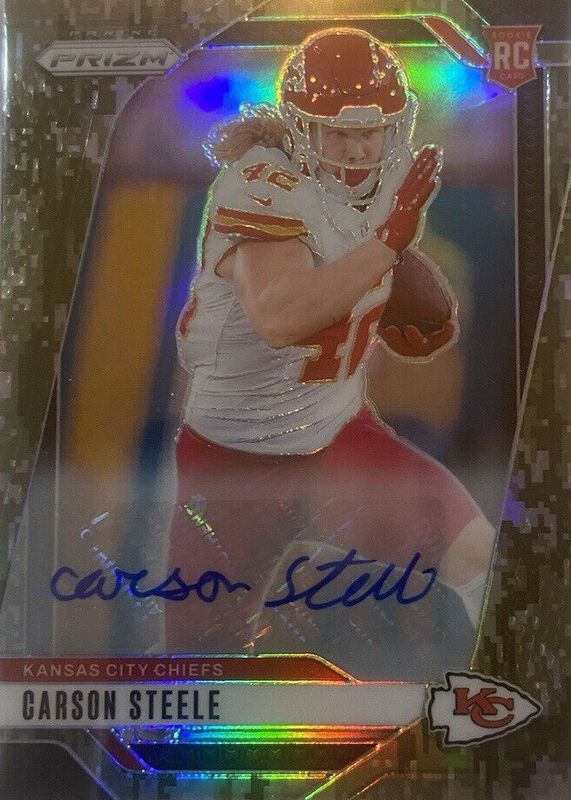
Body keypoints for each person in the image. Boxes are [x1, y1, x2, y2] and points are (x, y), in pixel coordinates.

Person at [168, 28, 494, 679]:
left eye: (370, 132)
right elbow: (281, 317)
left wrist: (404, 288)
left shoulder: (385, 183)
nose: (358, 149)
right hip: (232, 458)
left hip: (337, 434)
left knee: (480, 554)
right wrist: (387, 245)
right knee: (201, 670)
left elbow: (377, 285)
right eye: (338, 134)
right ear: (299, 128)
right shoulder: (260, 183)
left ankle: (503, 697)